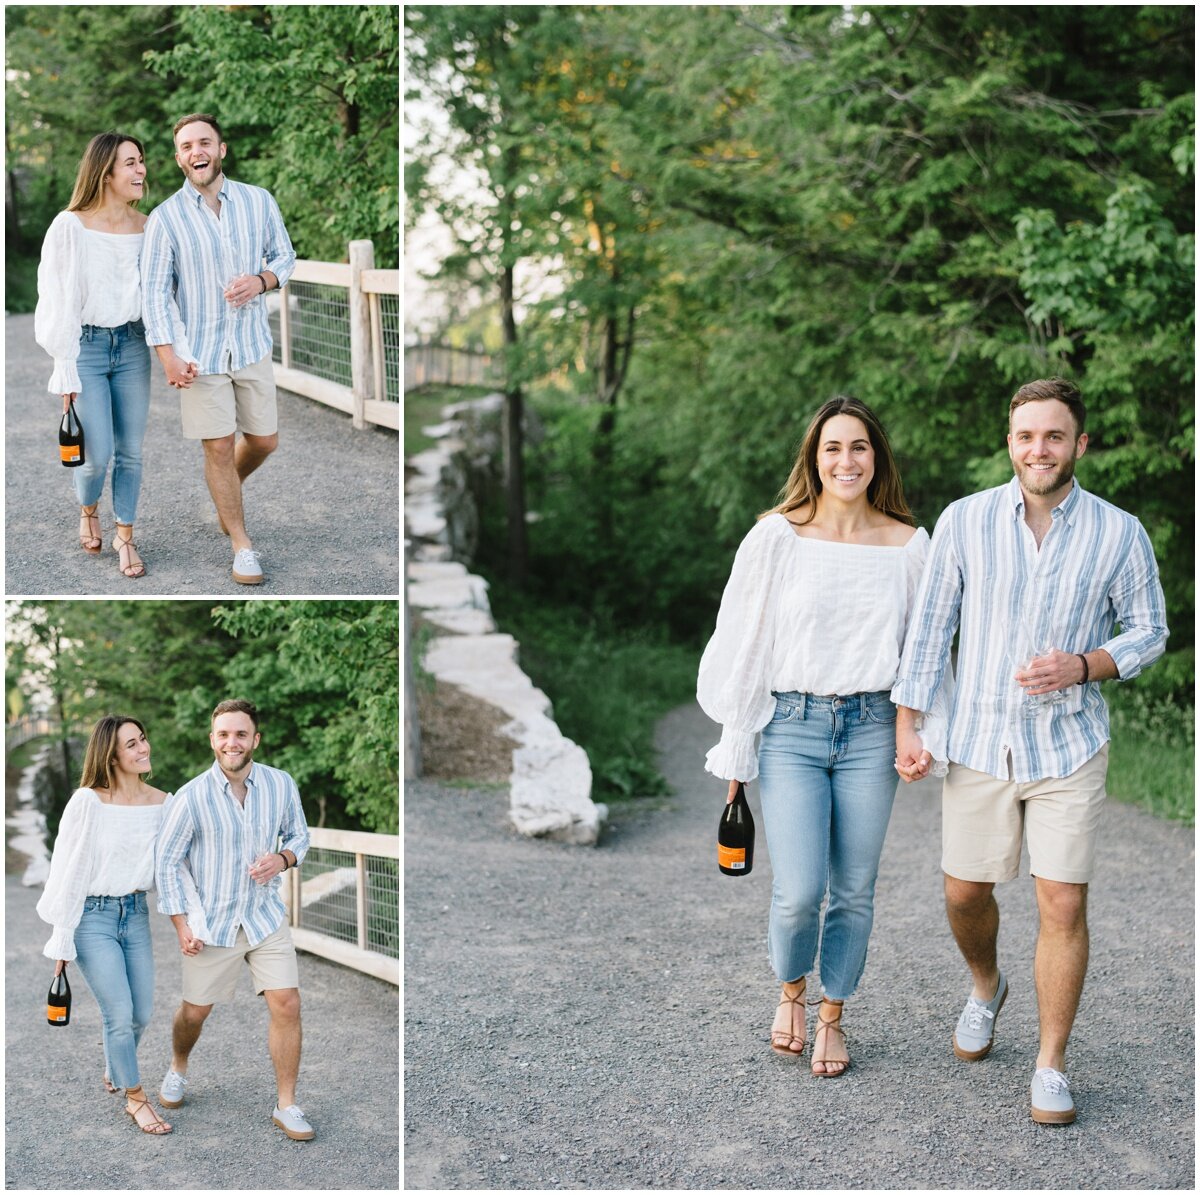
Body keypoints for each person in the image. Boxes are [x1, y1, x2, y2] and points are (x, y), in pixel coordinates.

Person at [892, 377, 1168, 1125]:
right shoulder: (965, 521)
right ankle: (987, 985)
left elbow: (1149, 629)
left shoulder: (1119, 532)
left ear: (1080, 443)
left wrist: (1083, 663)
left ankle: (1051, 1061)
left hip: (1068, 744)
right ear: (1009, 442)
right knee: (963, 894)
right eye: (1025, 436)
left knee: (1062, 899)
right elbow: (929, 632)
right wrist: (908, 727)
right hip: (979, 739)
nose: (1037, 449)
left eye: (1053, 436)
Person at [697, 396, 946, 1077]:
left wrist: (915, 732)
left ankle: (834, 1014)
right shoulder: (776, 537)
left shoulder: (909, 545)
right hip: (791, 729)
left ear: (876, 458)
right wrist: (738, 750)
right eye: (833, 447)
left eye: (859, 447)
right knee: (800, 887)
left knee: (856, 888)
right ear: (814, 457)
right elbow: (746, 649)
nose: (846, 460)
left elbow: (925, 654)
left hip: (870, 730)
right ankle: (791, 992)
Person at [140, 113, 296, 586]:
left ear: (221, 149)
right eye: (186, 147)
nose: (196, 152)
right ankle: (242, 545)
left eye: (203, 143)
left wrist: (261, 280)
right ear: (178, 159)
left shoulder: (258, 201)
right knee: (219, 447)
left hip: (250, 345)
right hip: (200, 353)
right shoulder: (165, 217)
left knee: (265, 440)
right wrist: (167, 355)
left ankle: (225, 492)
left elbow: (284, 256)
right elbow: (154, 293)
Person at [34, 132, 194, 579]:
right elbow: (57, 298)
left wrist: (176, 351)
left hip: (131, 346)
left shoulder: (150, 227)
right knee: (96, 455)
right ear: (105, 172)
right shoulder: (70, 225)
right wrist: (64, 366)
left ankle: (126, 534)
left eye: (141, 160)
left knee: (132, 453)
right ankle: (88, 508)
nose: (141, 169)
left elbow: (164, 297)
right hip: (84, 347)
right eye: (130, 162)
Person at [36, 715, 206, 1134]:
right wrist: (62, 941)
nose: (143, 748)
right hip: (92, 919)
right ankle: (136, 1099)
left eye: (143, 739)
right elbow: (68, 871)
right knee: (119, 1013)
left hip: (136, 913)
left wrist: (191, 922)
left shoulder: (164, 803)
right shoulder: (88, 802)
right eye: (132, 744)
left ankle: (116, 1064)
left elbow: (176, 869)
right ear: (110, 755)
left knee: (142, 1013)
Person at [154, 699, 314, 1140]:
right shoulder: (190, 797)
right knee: (195, 1011)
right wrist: (183, 926)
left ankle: (287, 1104)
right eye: (223, 734)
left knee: (288, 1003)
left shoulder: (281, 785)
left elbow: (300, 835)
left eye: (241, 734)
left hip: (264, 918)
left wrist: (282, 859)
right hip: (213, 926)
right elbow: (166, 863)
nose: (232, 742)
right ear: (212, 740)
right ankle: (178, 1067)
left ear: (255, 740)